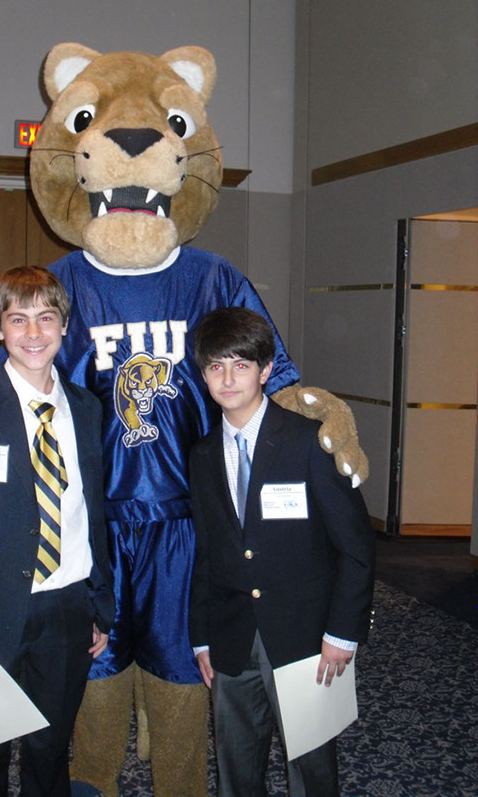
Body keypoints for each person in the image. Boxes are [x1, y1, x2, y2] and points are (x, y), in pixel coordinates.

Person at [0, 266, 115, 797]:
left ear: (64, 327)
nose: (34, 333)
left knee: (50, 749)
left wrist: (98, 603)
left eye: (46, 318)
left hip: (68, 606)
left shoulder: (85, 408)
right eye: (19, 319)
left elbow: (89, 512)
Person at [189, 307, 375, 796]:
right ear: (203, 373)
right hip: (231, 635)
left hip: (306, 637)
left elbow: (355, 547)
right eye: (215, 367)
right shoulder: (203, 454)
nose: (227, 379)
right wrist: (201, 637)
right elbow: (206, 554)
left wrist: (343, 631)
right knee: (236, 769)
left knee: (311, 770)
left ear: (266, 370)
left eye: (241, 365)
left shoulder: (307, 441)